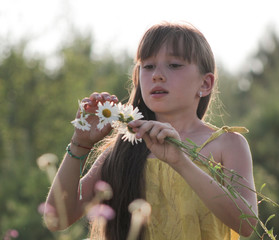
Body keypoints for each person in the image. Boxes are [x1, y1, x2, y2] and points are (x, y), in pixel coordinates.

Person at [44, 22, 258, 240]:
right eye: (147, 66)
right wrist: (80, 144)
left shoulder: (227, 144)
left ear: (205, 84)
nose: (157, 75)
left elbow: (247, 224)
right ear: (138, 77)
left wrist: (180, 162)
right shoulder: (122, 150)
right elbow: (57, 218)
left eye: (174, 65)